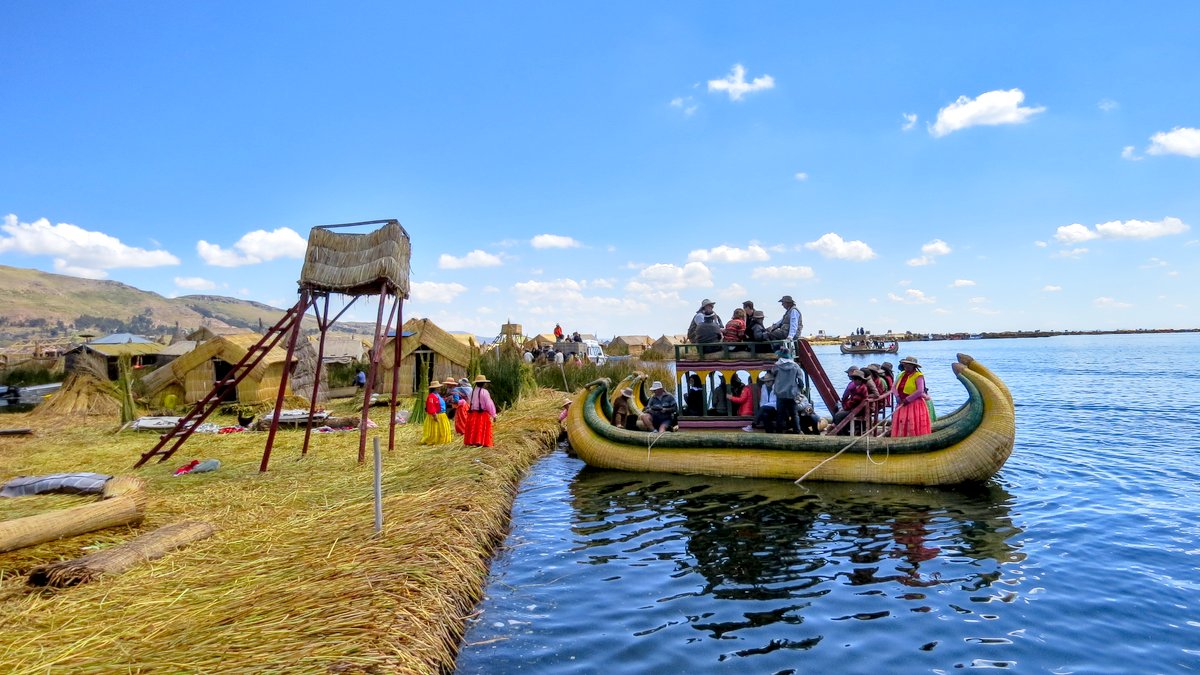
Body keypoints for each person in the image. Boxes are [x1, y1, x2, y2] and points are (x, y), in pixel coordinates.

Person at [891, 356, 932, 437]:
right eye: (906, 364)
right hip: (901, 403)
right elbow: (893, 387)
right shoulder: (901, 374)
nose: (907, 366)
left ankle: (915, 438)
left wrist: (908, 399)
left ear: (914, 366)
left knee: (912, 421)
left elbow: (920, 390)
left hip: (914, 404)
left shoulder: (918, 376)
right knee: (902, 421)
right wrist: (897, 396)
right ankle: (901, 437)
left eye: (909, 365)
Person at [771, 348, 803, 434]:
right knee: (794, 414)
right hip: (792, 393)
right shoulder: (795, 366)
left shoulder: (776, 366)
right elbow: (800, 380)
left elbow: (773, 374)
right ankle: (797, 430)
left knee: (780, 414)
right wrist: (800, 389)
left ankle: (779, 431)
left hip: (780, 393)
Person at [832, 369, 869, 435]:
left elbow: (854, 402)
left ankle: (841, 433)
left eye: (855, 379)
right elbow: (852, 400)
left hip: (858, 410)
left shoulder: (862, 388)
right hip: (855, 408)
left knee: (838, 415)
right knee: (839, 412)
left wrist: (844, 407)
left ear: (859, 380)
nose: (853, 381)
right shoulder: (858, 387)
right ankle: (843, 430)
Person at [464, 374, 497, 447]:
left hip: (472, 414)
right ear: (484, 383)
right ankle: (481, 442)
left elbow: (469, 402)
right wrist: (493, 415)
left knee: (474, 429)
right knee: (481, 429)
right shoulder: (484, 392)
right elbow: (489, 404)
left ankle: (473, 441)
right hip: (481, 414)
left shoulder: (471, 392)